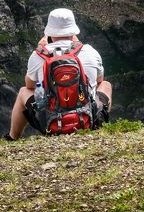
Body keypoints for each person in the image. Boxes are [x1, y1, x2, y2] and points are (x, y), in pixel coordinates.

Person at [7, 8, 112, 140]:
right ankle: (96, 125)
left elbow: (29, 84)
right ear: (73, 31)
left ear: (49, 32)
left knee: (23, 91)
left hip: (51, 122)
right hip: (85, 119)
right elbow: (99, 80)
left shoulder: (38, 55)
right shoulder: (90, 51)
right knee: (106, 85)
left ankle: (12, 137)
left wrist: (40, 49)